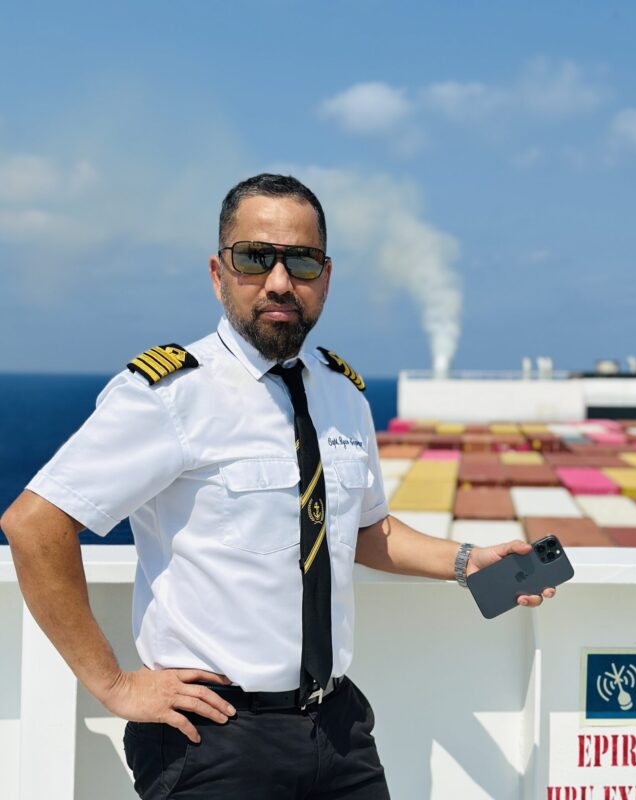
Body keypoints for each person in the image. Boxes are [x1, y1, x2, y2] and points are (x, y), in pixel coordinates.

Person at [1, 173, 555, 799]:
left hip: (339, 729)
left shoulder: (342, 393)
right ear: (218, 272)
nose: (280, 281)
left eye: (302, 261)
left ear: (326, 274)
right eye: (255, 258)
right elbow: (34, 522)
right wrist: (114, 685)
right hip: (214, 738)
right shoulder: (173, 393)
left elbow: (364, 531)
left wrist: (468, 561)